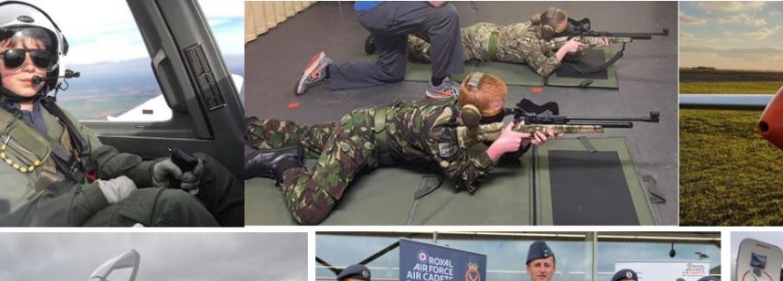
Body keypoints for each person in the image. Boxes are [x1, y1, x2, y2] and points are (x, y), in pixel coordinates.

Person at [0, 1, 242, 227]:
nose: (30, 65)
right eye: (14, 56)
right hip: (59, 230)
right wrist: (101, 195)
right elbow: (23, 218)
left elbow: (102, 158)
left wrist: (152, 171)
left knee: (207, 168)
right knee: (170, 206)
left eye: (40, 56)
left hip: (84, 204)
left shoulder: (56, 116)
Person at [247, 71, 557, 225]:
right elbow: (462, 176)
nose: (500, 116)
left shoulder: (459, 107)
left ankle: (245, 126)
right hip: (360, 139)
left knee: (305, 134)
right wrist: (498, 149)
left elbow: (482, 135)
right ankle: (284, 164)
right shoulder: (438, 127)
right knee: (308, 211)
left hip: (369, 121)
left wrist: (521, 142)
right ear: (472, 113)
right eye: (494, 113)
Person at [296, 1, 464, 99]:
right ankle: (439, 84)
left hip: (373, 8)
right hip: (380, 9)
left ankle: (326, 70)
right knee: (446, 15)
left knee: (390, 71)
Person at [401, 7, 610, 77]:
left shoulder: (538, 27)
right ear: (549, 30)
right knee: (432, 53)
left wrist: (589, 43)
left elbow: (551, 44)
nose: (565, 32)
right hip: (477, 46)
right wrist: (565, 49)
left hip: (483, 31)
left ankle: (406, 29)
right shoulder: (530, 42)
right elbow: (544, 69)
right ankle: (401, 37)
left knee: (445, 38)